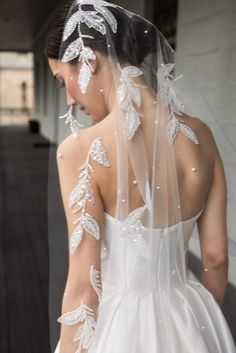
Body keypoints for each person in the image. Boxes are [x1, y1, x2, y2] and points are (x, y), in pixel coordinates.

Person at [45, 1, 236, 352]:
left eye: (63, 82)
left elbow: (85, 288)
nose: (70, 100)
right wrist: (197, 326)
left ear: (88, 60)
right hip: (191, 317)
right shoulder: (201, 135)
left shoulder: (80, 150)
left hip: (120, 328)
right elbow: (216, 259)